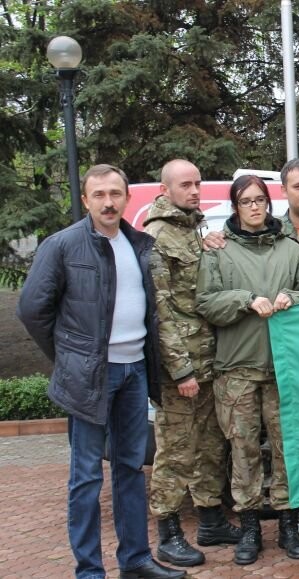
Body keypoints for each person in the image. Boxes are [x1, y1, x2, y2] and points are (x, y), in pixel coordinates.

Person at [16, 164, 185, 579]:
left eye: (115, 194)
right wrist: (72, 358)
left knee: (130, 469)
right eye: (99, 195)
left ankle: (136, 561)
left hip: (133, 373)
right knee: (87, 476)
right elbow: (31, 309)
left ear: (127, 197)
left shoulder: (138, 243)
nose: (108, 202)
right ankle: (89, 571)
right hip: (89, 378)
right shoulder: (63, 245)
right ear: (86, 199)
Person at [196, 174, 299, 565]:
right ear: (235, 206)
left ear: (268, 202)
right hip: (237, 367)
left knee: (286, 449)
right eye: (245, 201)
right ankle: (249, 525)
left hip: (283, 367)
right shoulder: (218, 250)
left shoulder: (291, 247)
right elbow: (207, 303)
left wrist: (290, 298)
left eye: (259, 199)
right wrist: (245, 300)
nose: (254, 206)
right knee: (243, 450)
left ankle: (287, 522)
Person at [144, 160, 241, 568]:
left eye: (198, 183)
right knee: (177, 451)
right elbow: (160, 310)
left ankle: (211, 520)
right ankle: (168, 534)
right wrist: (179, 369)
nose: (195, 190)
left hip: (208, 359)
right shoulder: (157, 236)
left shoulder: (192, 230)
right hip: (181, 368)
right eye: (186, 184)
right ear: (165, 191)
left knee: (209, 446)